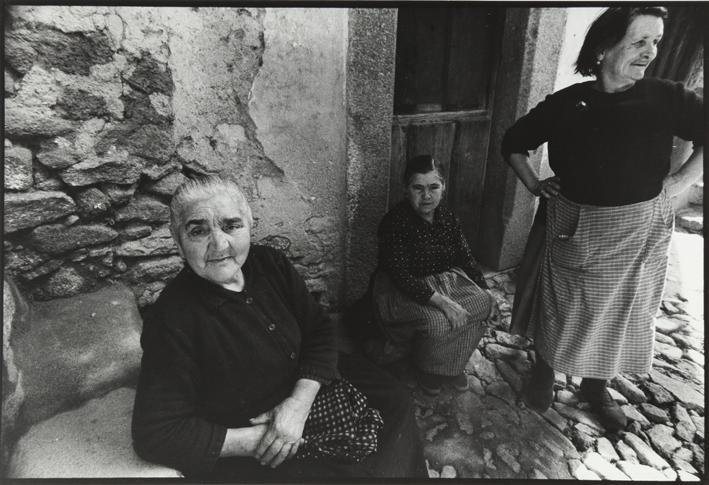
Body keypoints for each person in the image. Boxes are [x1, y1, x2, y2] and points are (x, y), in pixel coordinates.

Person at [131, 175, 427, 480]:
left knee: (396, 403)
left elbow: (320, 330)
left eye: (231, 225)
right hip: (260, 438)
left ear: (249, 226)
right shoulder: (172, 319)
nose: (219, 244)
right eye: (198, 231)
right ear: (179, 243)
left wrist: (299, 403)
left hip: (307, 386)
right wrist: (265, 439)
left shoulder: (268, 263)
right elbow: (156, 432)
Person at [502, 6, 703, 431]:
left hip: (638, 230)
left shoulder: (667, 96)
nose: (650, 52)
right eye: (639, 41)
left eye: (656, 42)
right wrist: (535, 185)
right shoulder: (567, 104)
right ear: (604, 46)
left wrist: (682, 180)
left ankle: (595, 383)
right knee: (560, 308)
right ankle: (545, 369)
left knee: (620, 310)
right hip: (573, 225)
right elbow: (514, 143)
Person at [371, 154, 498, 396]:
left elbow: (465, 256)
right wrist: (442, 302)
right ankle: (427, 369)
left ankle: (451, 366)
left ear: (443, 188)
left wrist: (487, 289)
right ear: (406, 190)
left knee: (483, 304)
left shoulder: (447, 217)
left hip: (443, 282)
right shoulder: (395, 222)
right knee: (438, 321)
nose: (426, 196)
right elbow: (399, 275)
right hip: (401, 290)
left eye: (433, 187)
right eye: (418, 188)